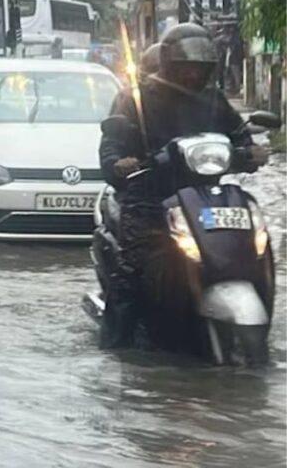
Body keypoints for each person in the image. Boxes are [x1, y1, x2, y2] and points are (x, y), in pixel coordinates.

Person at [97, 23, 268, 349]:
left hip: (208, 200)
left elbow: (239, 135)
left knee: (255, 249)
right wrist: (120, 163)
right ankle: (115, 349)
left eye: (199, 68)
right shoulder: (137, 98)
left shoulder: (213, 100)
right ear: (170, 63)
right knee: (131, 272)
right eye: (186, 67)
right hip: (149, 198)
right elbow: (111, 146)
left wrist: (251, 151)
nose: (192, 75)